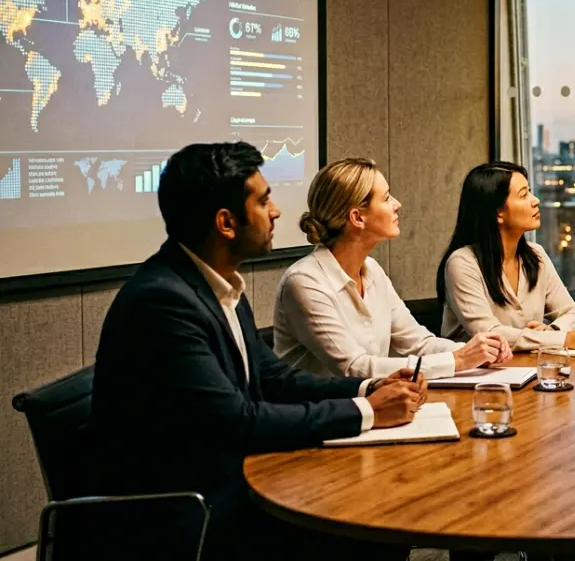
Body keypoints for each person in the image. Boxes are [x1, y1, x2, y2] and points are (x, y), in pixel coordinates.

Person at [91, 142, 417, 561]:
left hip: (230, 476)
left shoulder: (219, 285)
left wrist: (368, 387)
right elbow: (237, 421)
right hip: (186, 507)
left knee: (379, 505)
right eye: (264, 201)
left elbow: (275, 379)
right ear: (226, 223)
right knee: (370, 519)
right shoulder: (163, 302)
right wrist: (369, 412)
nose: (278, 211)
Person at [275, 158, 512, 380]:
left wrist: (477, 352)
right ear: (358, 218)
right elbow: (354, 367)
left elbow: (417, 342)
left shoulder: (372, 269)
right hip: (319, 418)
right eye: (387, 198)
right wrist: (457, 360)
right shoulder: (304, 282)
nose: (397, 204)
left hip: (369, 407)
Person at [439, 161, 575, 351]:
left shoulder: (535, 255)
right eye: (523, 195)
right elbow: (490, 335)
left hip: (526, 371)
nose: (535, 199)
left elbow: (572, 313)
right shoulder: (462, 263)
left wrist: (552, 331)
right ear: (498, 213)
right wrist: (564, 339)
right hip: (476, 377)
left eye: (530, 191)